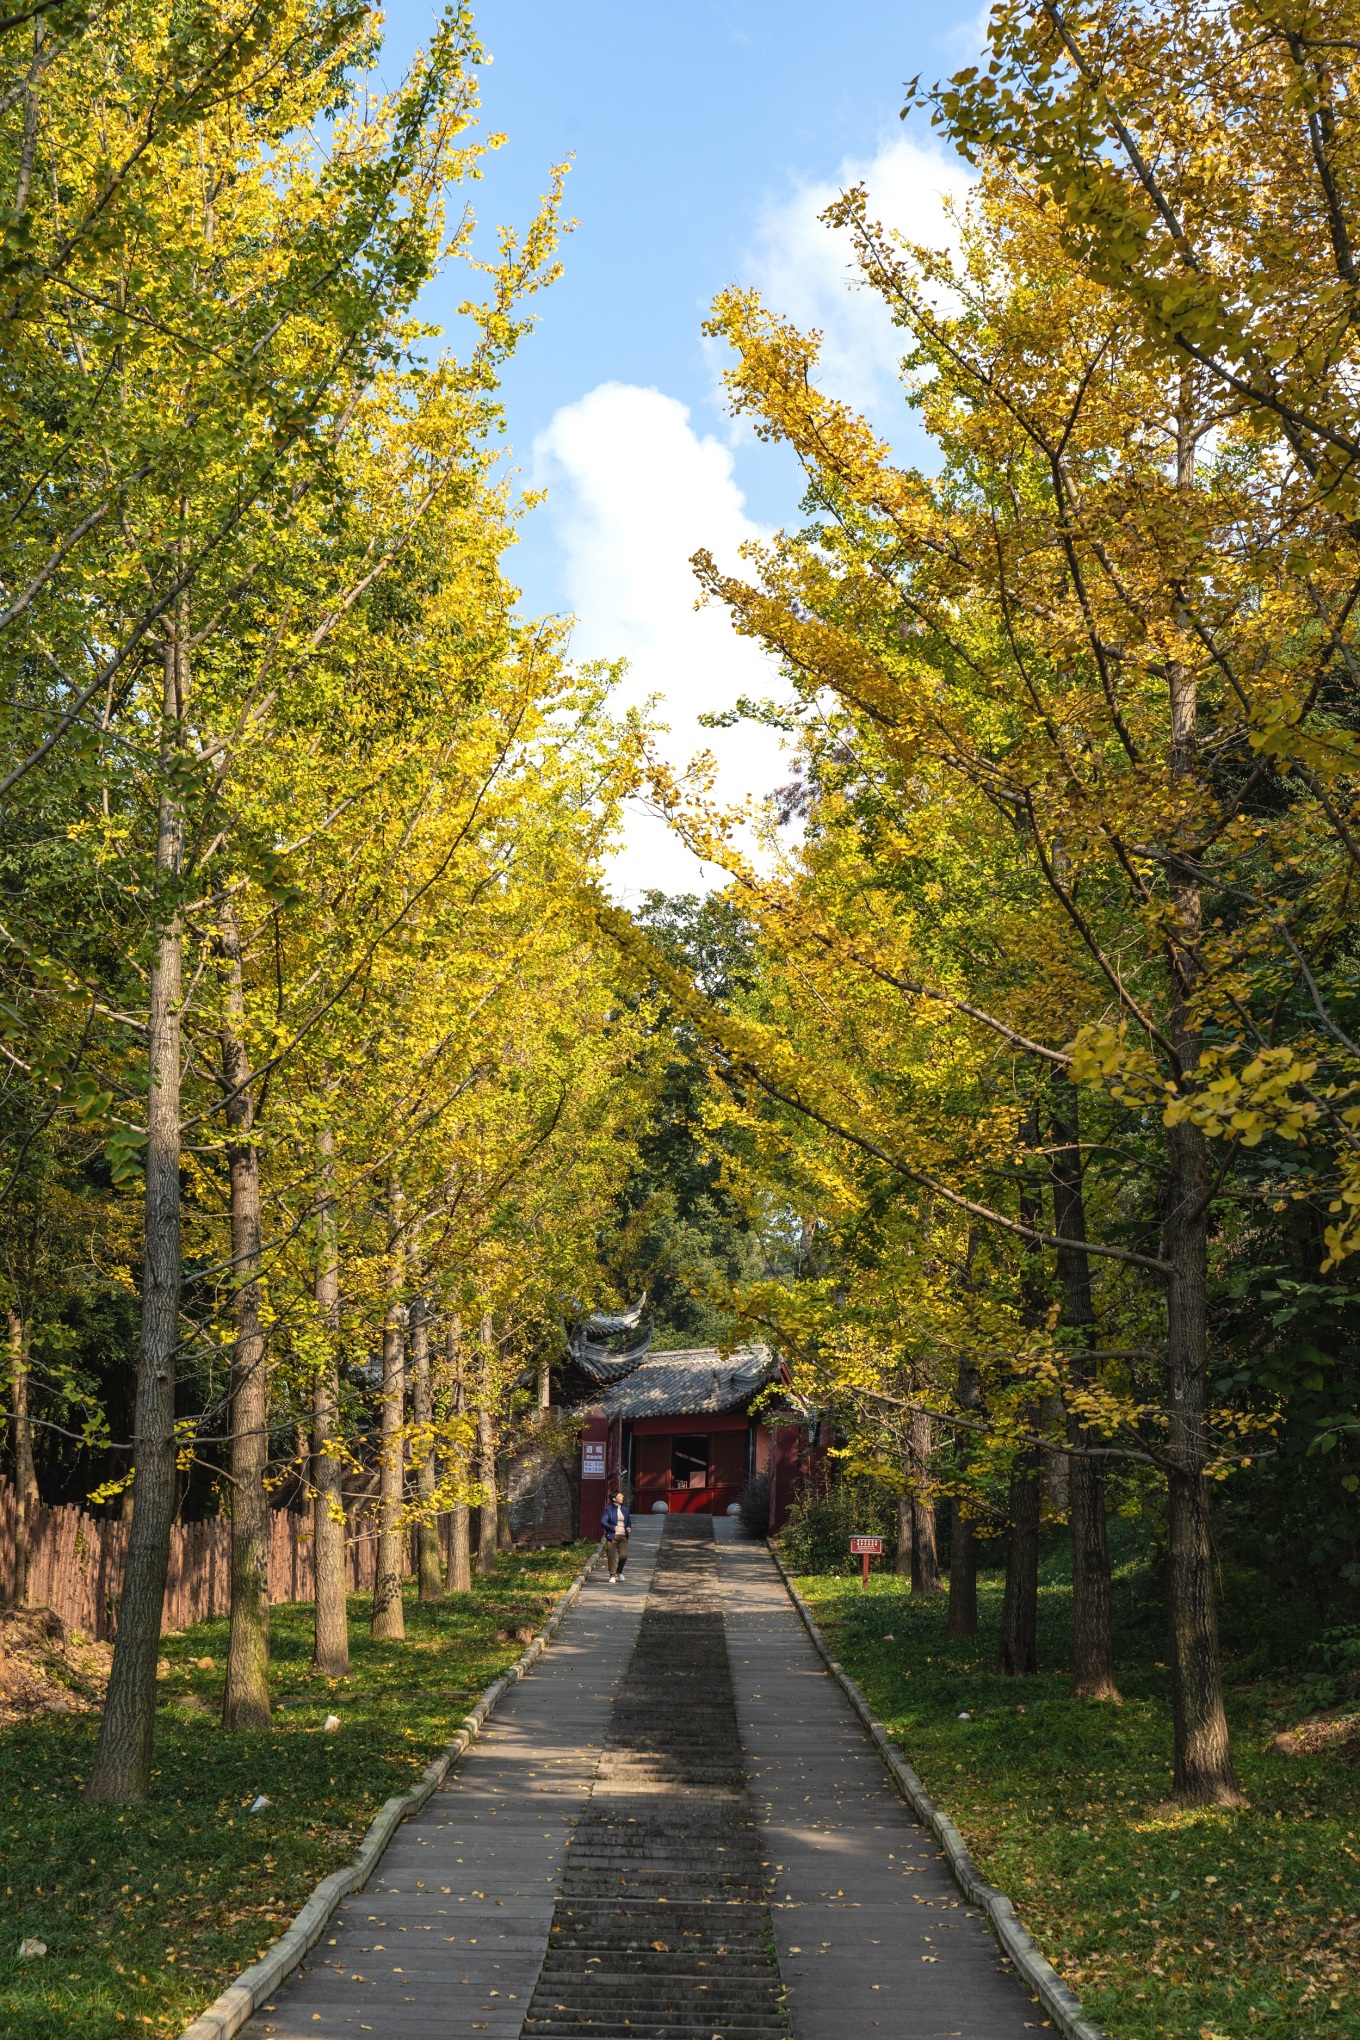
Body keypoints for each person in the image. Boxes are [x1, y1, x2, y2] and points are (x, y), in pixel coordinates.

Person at [601, 1489, 631, 1584]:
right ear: (614, 1498)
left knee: (624, 1556)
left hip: (623, 1536)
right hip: (612, 1536)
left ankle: (619, 1571)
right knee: (611, 1556)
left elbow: (628, 1521)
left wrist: (629, 1527)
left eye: (622, 1496)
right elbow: (603, 1522)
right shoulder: (608, 1510)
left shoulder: (625, 1510)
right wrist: (613, 1527)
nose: (622, 1497)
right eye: (620, 1496)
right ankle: (612, 1575)